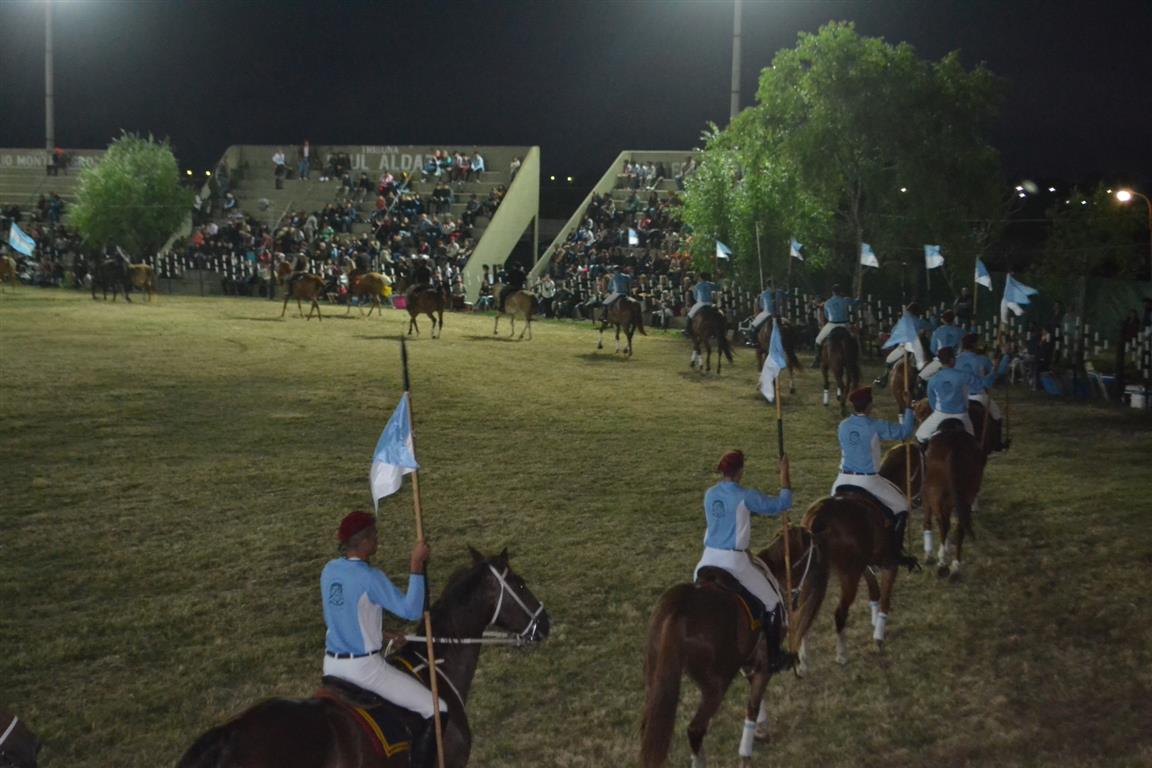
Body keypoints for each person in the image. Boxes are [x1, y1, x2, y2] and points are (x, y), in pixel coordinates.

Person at [321, 511, 446, 768]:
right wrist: (416, 565)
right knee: (437, 709)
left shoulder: (329, 570)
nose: (378, 539)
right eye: (375, 535)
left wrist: (381, 635)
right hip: (364, 670)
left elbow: (343, 615)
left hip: (331, 666)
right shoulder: (370, 577)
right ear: (365, 541)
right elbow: (411, 610)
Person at [693, 450, 796, 673]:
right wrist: (784, 473)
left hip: (706, 559)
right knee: (772, 603)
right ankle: (774, 657)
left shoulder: (709, 494)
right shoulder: (745, 496)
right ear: (740, 470)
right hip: (734, 561)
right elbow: (783, 504)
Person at [832, 387, 916, 564]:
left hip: (842, 479)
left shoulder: (843, 425)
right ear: (870, 405)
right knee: (902, 505)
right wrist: (908, 407)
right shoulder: (875, 426)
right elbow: (905, 431)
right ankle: (894, 553)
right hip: (867, 480)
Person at [915, 346, 997, 443]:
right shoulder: (963, 375)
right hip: (961, 415)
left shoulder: (933, 379)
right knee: (973, 441)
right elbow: (985, 384)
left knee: (920, 435)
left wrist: (936, 411)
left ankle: (926, 451)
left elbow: (932, 399)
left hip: (940, 415)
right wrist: (994, 370)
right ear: (952, 360)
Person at [956, 333, 1009, 447]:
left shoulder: (956, 359)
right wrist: (1004, 356)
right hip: (979, 395)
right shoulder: (982, 359)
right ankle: (998, 443)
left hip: (960, 397)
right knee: (997, 416)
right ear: (974, 344)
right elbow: (999, 373)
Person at [812, 284, 858, 366]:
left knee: (818, 340)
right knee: (854, 338)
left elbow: (826, 316)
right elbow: (856, 303)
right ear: (840, 292)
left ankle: (817, 360)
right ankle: (855, 358)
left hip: (832, 324)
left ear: (832, 292)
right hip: (845, 324)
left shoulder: (827, 302)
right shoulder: (846, 300)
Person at [919, 310, 965, 381]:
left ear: (943, 320)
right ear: (954, 319)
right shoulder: (961, 332)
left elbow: (933, 349)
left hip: (941, 361)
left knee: (921, 377)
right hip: (957, 360)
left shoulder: (937, 331)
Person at [681, 271, 720, 337]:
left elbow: (695, 297)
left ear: (701, 278)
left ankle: (687, 330)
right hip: (710, 303)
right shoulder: (710, 284)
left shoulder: (698, 285)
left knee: (690, 314)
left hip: (701, 303)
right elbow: (718, 288)